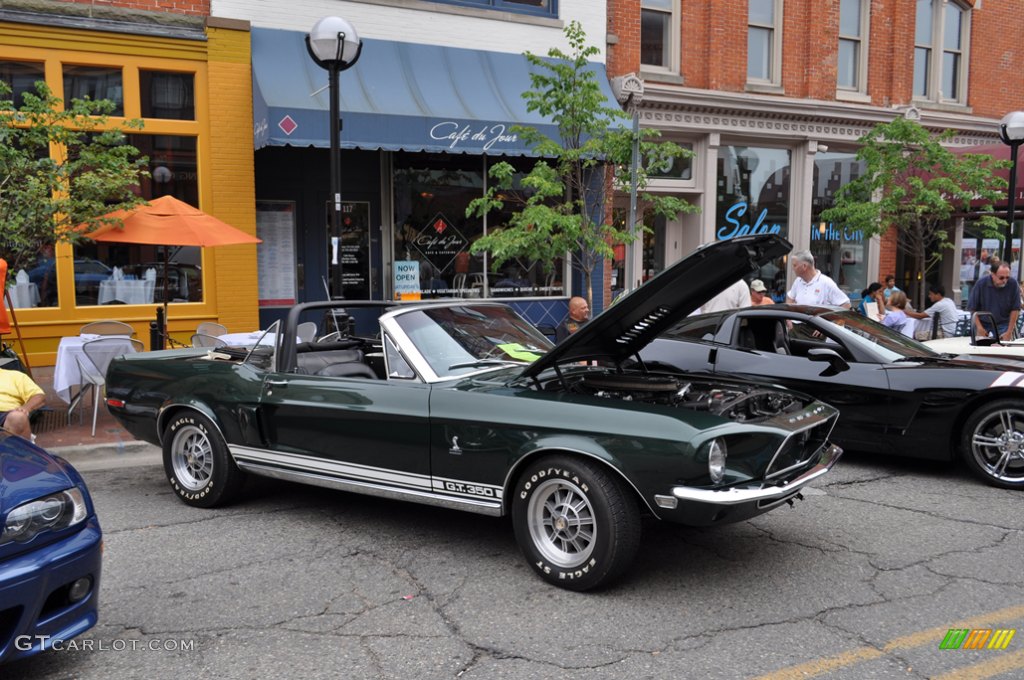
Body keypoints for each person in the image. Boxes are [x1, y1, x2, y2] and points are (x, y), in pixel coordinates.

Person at [967, 262, 1020, 340]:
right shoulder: (981, 284)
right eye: (1001, 278)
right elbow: (972, 308)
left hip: (1004, 323)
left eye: (1007, 277)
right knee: (980, 347)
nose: (1005, 280)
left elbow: (1015, 309)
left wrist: (1009, 332)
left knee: (1004, 347)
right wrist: (979, 327)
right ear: (992, 275)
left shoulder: (1013, 284)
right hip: (983, 323)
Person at [785, 250, 851, 308]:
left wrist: (832, 321)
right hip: (797, 322)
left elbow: (846, 304)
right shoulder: (798, 281)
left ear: (804, 266)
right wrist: (788, 320)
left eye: (795, 265)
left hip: (814, 322)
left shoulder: (826, 282)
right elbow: (790, 298)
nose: (793, 269)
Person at [0, 367, 45, 440]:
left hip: (6, 414)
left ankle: (16, 450)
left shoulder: (15, 376)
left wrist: (25, 408)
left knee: (18, 417)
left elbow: (39, 396)